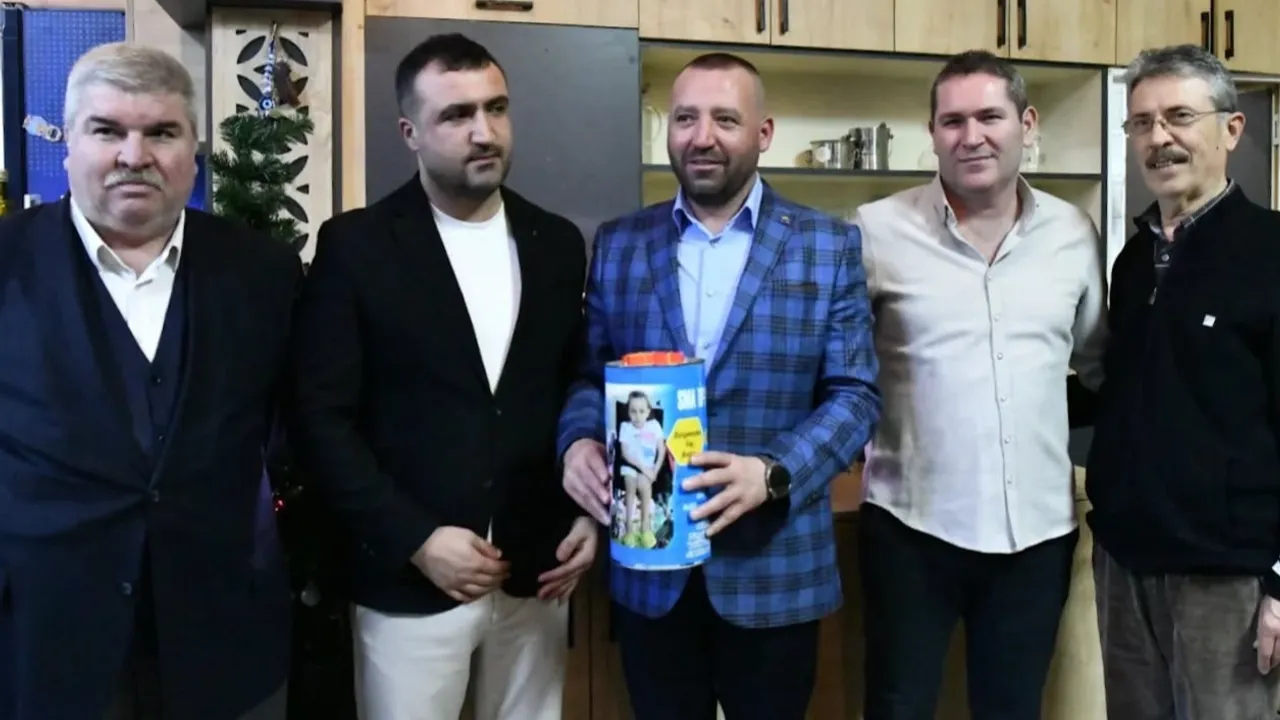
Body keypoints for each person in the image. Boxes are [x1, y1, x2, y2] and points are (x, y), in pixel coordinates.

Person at [558, 52, 880, 720]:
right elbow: (590, 372)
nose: (702, 137)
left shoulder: (827, 245)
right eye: (685, 119)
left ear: (764, 133)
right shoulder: (620, 243)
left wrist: (775, 472)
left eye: (725, 119)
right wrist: (578, 442)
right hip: (651, 570)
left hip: (774, 569)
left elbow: (855, 396)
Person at [287, 33, 595, 720]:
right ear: (411, 133)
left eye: (496, 108)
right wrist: (415, 540)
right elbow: (320, 420)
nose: (483, 132)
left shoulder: (556, 243)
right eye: (456, 115)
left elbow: (574, 387)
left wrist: (584, 509)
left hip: (538, 572)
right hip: (410, 584)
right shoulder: (356, 246)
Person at [0, 43, 297, 720]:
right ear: (68, 144)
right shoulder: (6, 263)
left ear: (193, 148)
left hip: (223, 635)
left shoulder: (265, 273)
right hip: (43, 637)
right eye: (107, 130)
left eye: (161, 132)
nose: (134, 156)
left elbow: (295, 427)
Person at [849, 50, 1108, 719]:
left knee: (1012, 709)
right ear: (932, 133)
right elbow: (842, 371)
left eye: (990, 117)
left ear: (1027, 123)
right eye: (953, 121)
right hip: (910, 529)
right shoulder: (875, 230)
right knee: (897, 706)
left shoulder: (1073, 233)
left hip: (1037, 536)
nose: (972, 137)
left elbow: (1097, 366)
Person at [1086, 43, 1280, 719]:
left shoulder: (1271, 251)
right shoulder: (1134, 261)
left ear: (1231, 128)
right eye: (1141, 122)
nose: (1158, 138)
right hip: (1125, 563)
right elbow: (1127, 392)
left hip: (1230, 578)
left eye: (1178, 117)